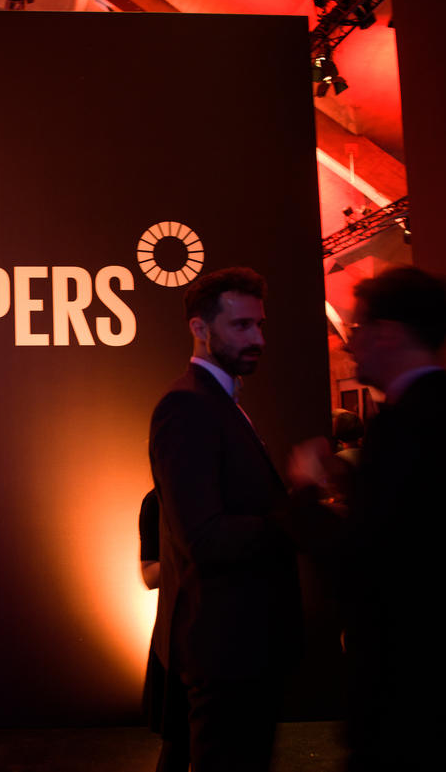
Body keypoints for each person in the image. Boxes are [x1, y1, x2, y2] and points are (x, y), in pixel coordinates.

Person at [289, 266, 446, 771]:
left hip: (409, 702)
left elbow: (361, 566)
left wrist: (303, 496)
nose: (349, 344)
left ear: (388, 333)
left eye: (358, 328)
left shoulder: (402, 430)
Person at [148, 267, 301, 772]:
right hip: (224, 650)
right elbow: (204, 538)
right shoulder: (187, 406)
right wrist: (297, 517)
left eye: (260, 325)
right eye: (241, 325)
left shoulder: (220, 402)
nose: (258, 339)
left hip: (239, 645)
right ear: (199, 328)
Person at [138, 489, 189, 772]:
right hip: (179, 635)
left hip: (200, 634)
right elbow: (149, 574)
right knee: (178, 743)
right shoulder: (155, 502)